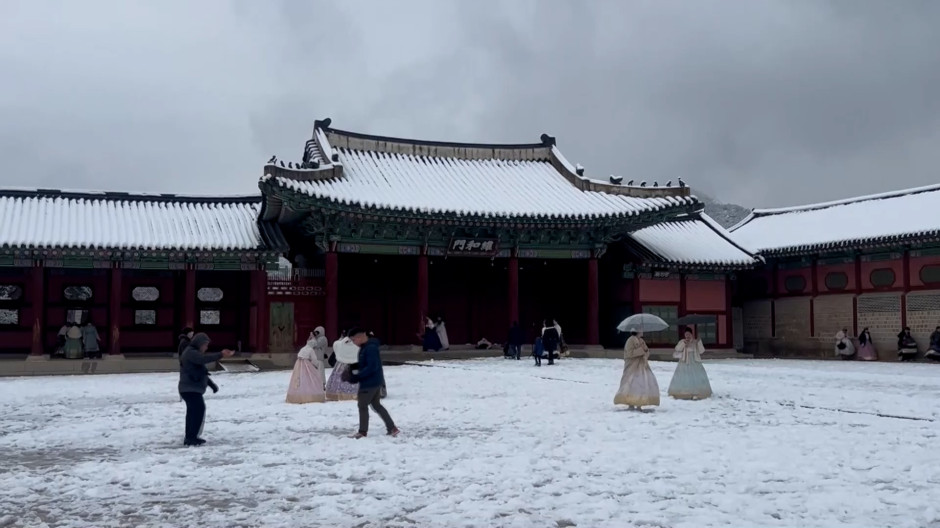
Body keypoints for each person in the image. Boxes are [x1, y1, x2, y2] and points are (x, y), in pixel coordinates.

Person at [178, 333, 234, 446]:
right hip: (190, 389)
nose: (206, 348)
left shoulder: (193, 353)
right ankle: (191, 437)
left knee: (193, 412)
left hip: (190, 389)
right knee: (197, 411)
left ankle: (190, 436)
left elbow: (202, 372)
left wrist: (211, 385)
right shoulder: (191, 352)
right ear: (199, 344)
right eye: (205, 345)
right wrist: (221, 354)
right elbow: (203, 359)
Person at [346, 328, 399, 439]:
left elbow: (371, 367)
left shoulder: (369, 348)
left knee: (362, 405)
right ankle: (392, 428)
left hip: (369, 383)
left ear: (359, 337)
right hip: (375, 381)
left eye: (353, 340)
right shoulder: (367, 347)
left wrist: (357, 377)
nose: (353, 343)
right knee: (376, 405)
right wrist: (354, 366)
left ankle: (362, 431)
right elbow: (366, 363)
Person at [614, 329, 660, 411]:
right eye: (641, 330)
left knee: (640, 384)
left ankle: (639, 403)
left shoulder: (641, 340)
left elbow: (646, 351)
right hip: (632, 366)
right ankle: (630, 403)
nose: (642, 331)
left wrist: (646, 351)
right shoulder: (630, 340)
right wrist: (641, 350)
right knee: (631, 383)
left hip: (641, 365)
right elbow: (629, 353)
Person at [668, 328, 712, 400]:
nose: (687, 336)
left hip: (694, 360)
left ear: (692, 334)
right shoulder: (682, 341)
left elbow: (701, 351)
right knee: (683, 376)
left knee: (696, 376)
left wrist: (699, 342)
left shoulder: (695, 342)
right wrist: (684, 343)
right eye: (686, 334)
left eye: (689, 334)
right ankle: (682, 392)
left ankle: (696, 392)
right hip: (684, 361)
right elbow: (677, 349)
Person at [286, 332, 326, 404]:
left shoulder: (303, 348)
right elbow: (314, 360)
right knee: (311, 378)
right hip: (307, 364)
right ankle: (311, 394)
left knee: (299, 378)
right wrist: (316, 365)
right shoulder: (311, 350)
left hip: (298, 364)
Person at [178, 327, 218, 394]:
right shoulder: (185, 342)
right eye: (191, 333)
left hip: (189, 364)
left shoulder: (186, 342)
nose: (192, 335)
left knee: (201, 374)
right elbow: (187, 355)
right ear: (187, 334)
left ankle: (213, 387)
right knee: (200, 374)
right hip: (190, 364)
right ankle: (213, 387)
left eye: (192, 334)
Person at [326, 337, 359, 401]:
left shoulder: (340, 345)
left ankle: (338, 393)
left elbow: (335, 345)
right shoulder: (356, 346)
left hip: (341, 365)